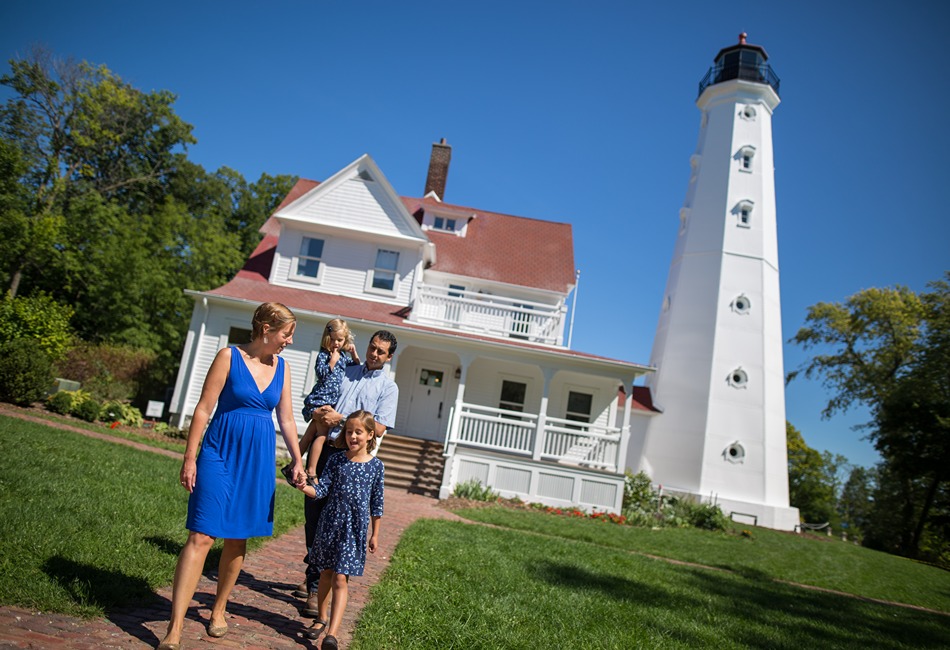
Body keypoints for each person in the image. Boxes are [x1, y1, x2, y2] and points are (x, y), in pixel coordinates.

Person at [157, 302, 306, 650]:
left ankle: (218, 608)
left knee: (237, 538)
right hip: (218, 452)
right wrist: (189, 457)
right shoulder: (229, 356)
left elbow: (285, 419)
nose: (289, 342)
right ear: (267, 328)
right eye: (286, 334)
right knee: (202, 535)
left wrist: (297, 461)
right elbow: (203, 408)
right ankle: (175, 628)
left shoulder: (282, 368)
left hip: (256, 459)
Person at [297, 330, 398, 614]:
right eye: (372, 348)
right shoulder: (347, 371)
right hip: (325, 448)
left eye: (381, 352)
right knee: (314, 519)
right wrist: (319, 412)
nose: (374, 354)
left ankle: (316, 587)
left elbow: (378, 428)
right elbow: (325, 387)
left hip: (351, 456)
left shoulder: (389, 389)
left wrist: (341, 417)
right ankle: (314, 576)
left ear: (389, 357)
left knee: (338, 525)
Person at [296, 410, 384, 649]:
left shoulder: (376, 467)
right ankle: (321, 618)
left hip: (353, 529)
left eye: (358, 432)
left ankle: (332, 634)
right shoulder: (336, 460)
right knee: (325, 573)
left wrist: (375, 534)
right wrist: (304, 486)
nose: (352, 436)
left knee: (341, 578)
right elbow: (321, 490)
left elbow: (377, 503)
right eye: (348, 432)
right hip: (330, 525)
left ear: (369, 435)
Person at [298, 318, 361, 479]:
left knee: (310, 433)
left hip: (329, 401)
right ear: (327, 339)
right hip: (321, 400)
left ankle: (294, 463)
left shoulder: (343, 357)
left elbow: (356, 366)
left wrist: (353, 353)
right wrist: (331, 363)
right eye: (332, 340)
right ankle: (311, 470)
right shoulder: (324, 355)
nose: (336, 343)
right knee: (321, 435)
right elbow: (321, 374)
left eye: (340, 340)